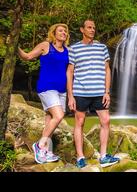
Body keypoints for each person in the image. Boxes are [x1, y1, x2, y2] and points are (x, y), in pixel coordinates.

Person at [67, 19, 119, 168]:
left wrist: (107, 92)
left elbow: (107, 70)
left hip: (99, 92)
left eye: (94, 28)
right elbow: (70, 71)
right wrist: (70, 96)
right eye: (89, 27)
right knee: (80, 122)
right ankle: (80, 157)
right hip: (81, 91)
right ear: (82, 29)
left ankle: (103, 156)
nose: (92, 30)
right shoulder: (74, 49)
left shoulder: (102, 47)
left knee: (106, 121)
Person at [18, 23, 70, 164]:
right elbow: (28, 57)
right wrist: (16, 46)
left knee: (50, 118)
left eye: (65, 31)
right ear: (54, 32)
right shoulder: (46, 46)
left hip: (61, 90)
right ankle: (39, 145)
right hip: (47, 87)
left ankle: (46, 151)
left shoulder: (67, 51)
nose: (64, 33)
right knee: (59, 115)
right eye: (60, 30)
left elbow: (69, 72)